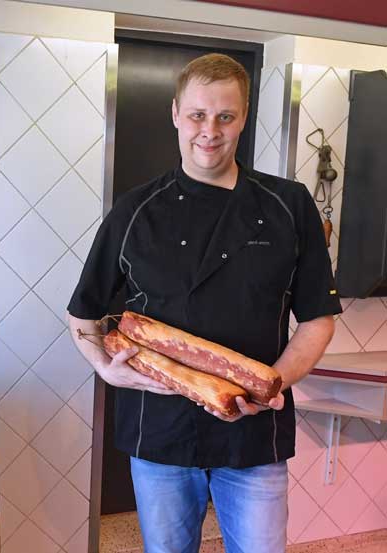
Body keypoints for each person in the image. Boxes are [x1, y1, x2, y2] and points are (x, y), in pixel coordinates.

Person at [67, 53, 340, 553]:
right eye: (197, 115)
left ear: (244, 117)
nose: (209, 131)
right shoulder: (134, 210)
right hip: (159, 432)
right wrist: (105, 368)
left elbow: (318, 319)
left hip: (254, 436)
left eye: (225, 116)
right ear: (176, 113)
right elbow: (82, 314)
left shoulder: (289, 205)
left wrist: (271, 385)